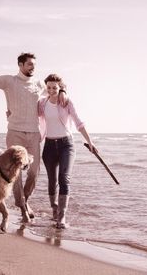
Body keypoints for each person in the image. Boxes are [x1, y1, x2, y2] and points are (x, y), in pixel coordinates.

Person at [0, 45, 66, 222]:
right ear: (20, 65)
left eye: (34, 64)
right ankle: (22, 208)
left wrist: (63, 92)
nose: (33, 67)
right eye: (29, 64)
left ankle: (25, 200)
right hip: (15, 133)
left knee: (34, 171)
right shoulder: (9, 81)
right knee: (16, 174)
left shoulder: (39, 84)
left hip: (34, 133)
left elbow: (57, 86)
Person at [38, 73, 96, 229]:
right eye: (49, 87)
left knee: (64, 178)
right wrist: (11, 115)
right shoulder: (42, 104)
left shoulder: (66, 102)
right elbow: (29, 117)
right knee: (52, 181)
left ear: (60, 87)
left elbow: (78, 122)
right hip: (49, 146)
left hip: (66, 145)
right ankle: (54, 209)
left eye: (55, 87)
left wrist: (89, 142)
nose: (51, 90)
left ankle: (62, 217)